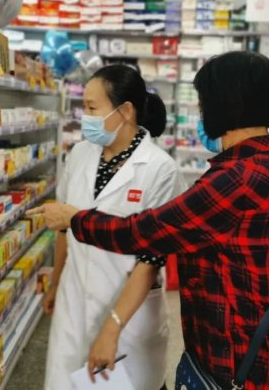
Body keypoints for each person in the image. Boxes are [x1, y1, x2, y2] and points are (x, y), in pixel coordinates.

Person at [31, 51, 269, 390]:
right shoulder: (267, 164)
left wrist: (75, 219)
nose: (202, 112)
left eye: (204, 102)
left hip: (247, 362)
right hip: (249, 347)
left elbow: (145, 233)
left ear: (226, 103)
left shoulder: (238, 178)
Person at [42, 64, 185, 390]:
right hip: (74, 304)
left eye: (92, 108)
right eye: (84, 107)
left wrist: (112, 328)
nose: (85, 117)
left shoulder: (160, 170)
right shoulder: (80, 154)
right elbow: (65, 226)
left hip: (128, 317)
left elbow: (150, 259)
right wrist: (56, 282)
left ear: (125, 111)